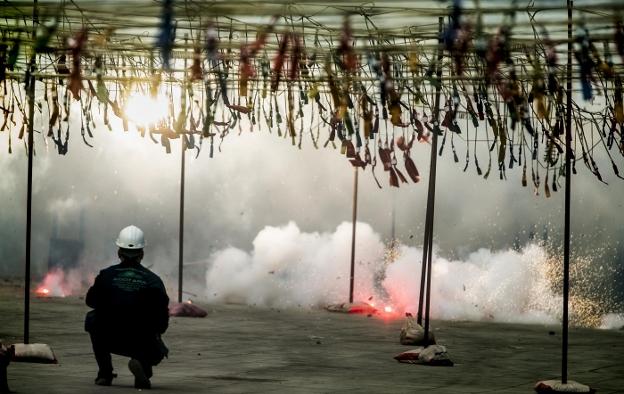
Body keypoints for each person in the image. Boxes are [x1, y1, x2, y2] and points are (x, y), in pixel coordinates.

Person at [85, 225, 169, 389]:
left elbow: (91, 301)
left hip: (110, 336)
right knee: (157, 346)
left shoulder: (106, 275)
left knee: (93, 318)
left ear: (119, 252)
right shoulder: (154, 280)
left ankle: (105, 374)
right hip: (141, 340)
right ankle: (142, 366)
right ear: (142, 254)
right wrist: (156, 334)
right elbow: (162, 318)